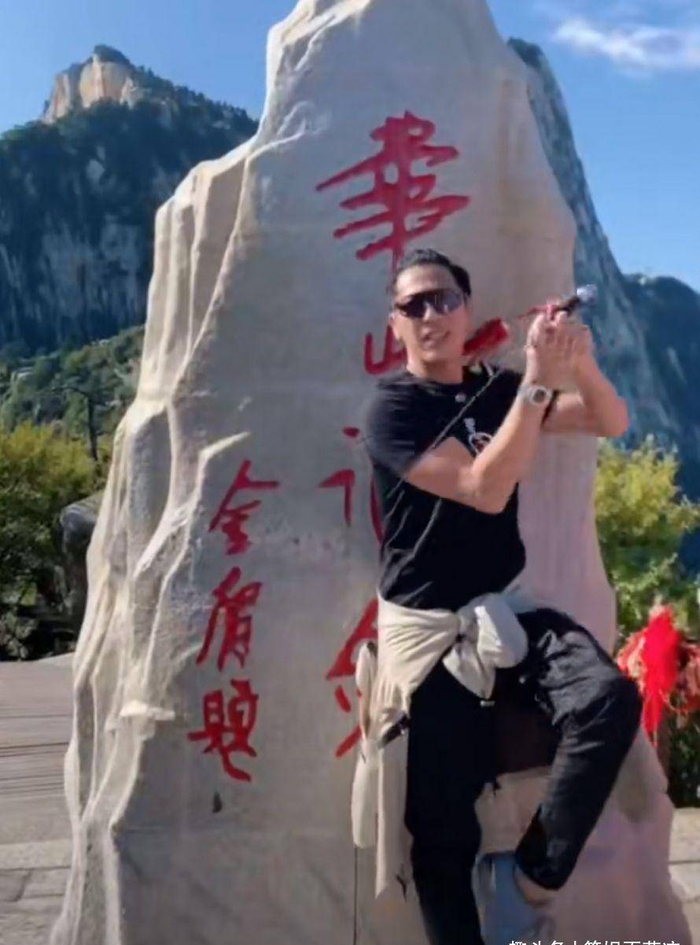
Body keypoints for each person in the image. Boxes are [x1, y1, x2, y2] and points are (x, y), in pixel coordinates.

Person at [360, 248, 642, 945]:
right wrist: (538, 386)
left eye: (445, 299)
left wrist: (576, 363)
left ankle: (531, 879)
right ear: (395, 325)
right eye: (414, 305)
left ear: (468, 310)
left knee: (606, 699)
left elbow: (610, 419)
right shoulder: (394, 408)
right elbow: (483, 489)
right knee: (441, 836)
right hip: (430, 635)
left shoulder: (499, 389)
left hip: (504, 611)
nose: (431, 315)